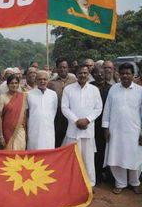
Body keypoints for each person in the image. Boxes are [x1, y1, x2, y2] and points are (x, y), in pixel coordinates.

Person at [102, 63, 142, 194]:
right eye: (123, 73)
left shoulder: (139, 90)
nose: (125, 75)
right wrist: (106, 127)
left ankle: (135, 182)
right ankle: (120, 183)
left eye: (128, 73)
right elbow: (107, 108)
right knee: (116, 156)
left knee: (135, 157)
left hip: (134, 131)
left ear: (132, 75)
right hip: (116, 130)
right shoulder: (113, 89)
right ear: (118, 74)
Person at [61, 64, 102, 187]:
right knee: (72, 158)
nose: (83, 75)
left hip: (88, 131)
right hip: (73, 130)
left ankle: (90, 184)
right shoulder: (68, 89)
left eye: (85, 73)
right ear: (76, 74)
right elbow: (64, 107)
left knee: (88, 159)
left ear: (88, 74)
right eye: (80, 73)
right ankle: (72, 183)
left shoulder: (94, 90)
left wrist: (87, 120)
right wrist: (76, 120)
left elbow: (98, 108)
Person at [47, 59, 77, 147]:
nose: (62, 69)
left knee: (70, 143)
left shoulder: (74, 81)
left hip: (71, 117)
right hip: (57, 117)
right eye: (60, 67)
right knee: (57, 141)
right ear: (56, 68)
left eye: (65, 67)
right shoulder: (51, 83)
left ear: (68, 68)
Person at [90, 66, 112, 184]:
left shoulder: (111, 88)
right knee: (94, 150)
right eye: (97, 73)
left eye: (102, 73)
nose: (100, 75)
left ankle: (107, 173)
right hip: (92, 123)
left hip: (106, 124)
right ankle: (96, 174)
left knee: (106, 149)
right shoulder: (89, 87)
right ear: (92, 74)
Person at [27, 70, 58, 150]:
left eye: (45, 79)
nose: (42, 81)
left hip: (48, 128)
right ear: (36, 80)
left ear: (48, 80)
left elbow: (54, 111)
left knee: (48, 151)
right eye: (40, 79)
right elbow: (27, 113)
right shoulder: (29, 94)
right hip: (34, 128)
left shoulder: (53, 94)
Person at [0, 75, 27, 150]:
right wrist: (1, 136)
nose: (14, 85)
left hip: (20, 130)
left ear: (18, 84)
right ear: (7, 85)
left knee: (20, 152)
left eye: (16, 83)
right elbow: (0, 117)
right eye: (12, 83)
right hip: (7, 131)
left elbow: (24, 115)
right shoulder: (2, 97)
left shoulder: (23, 96)